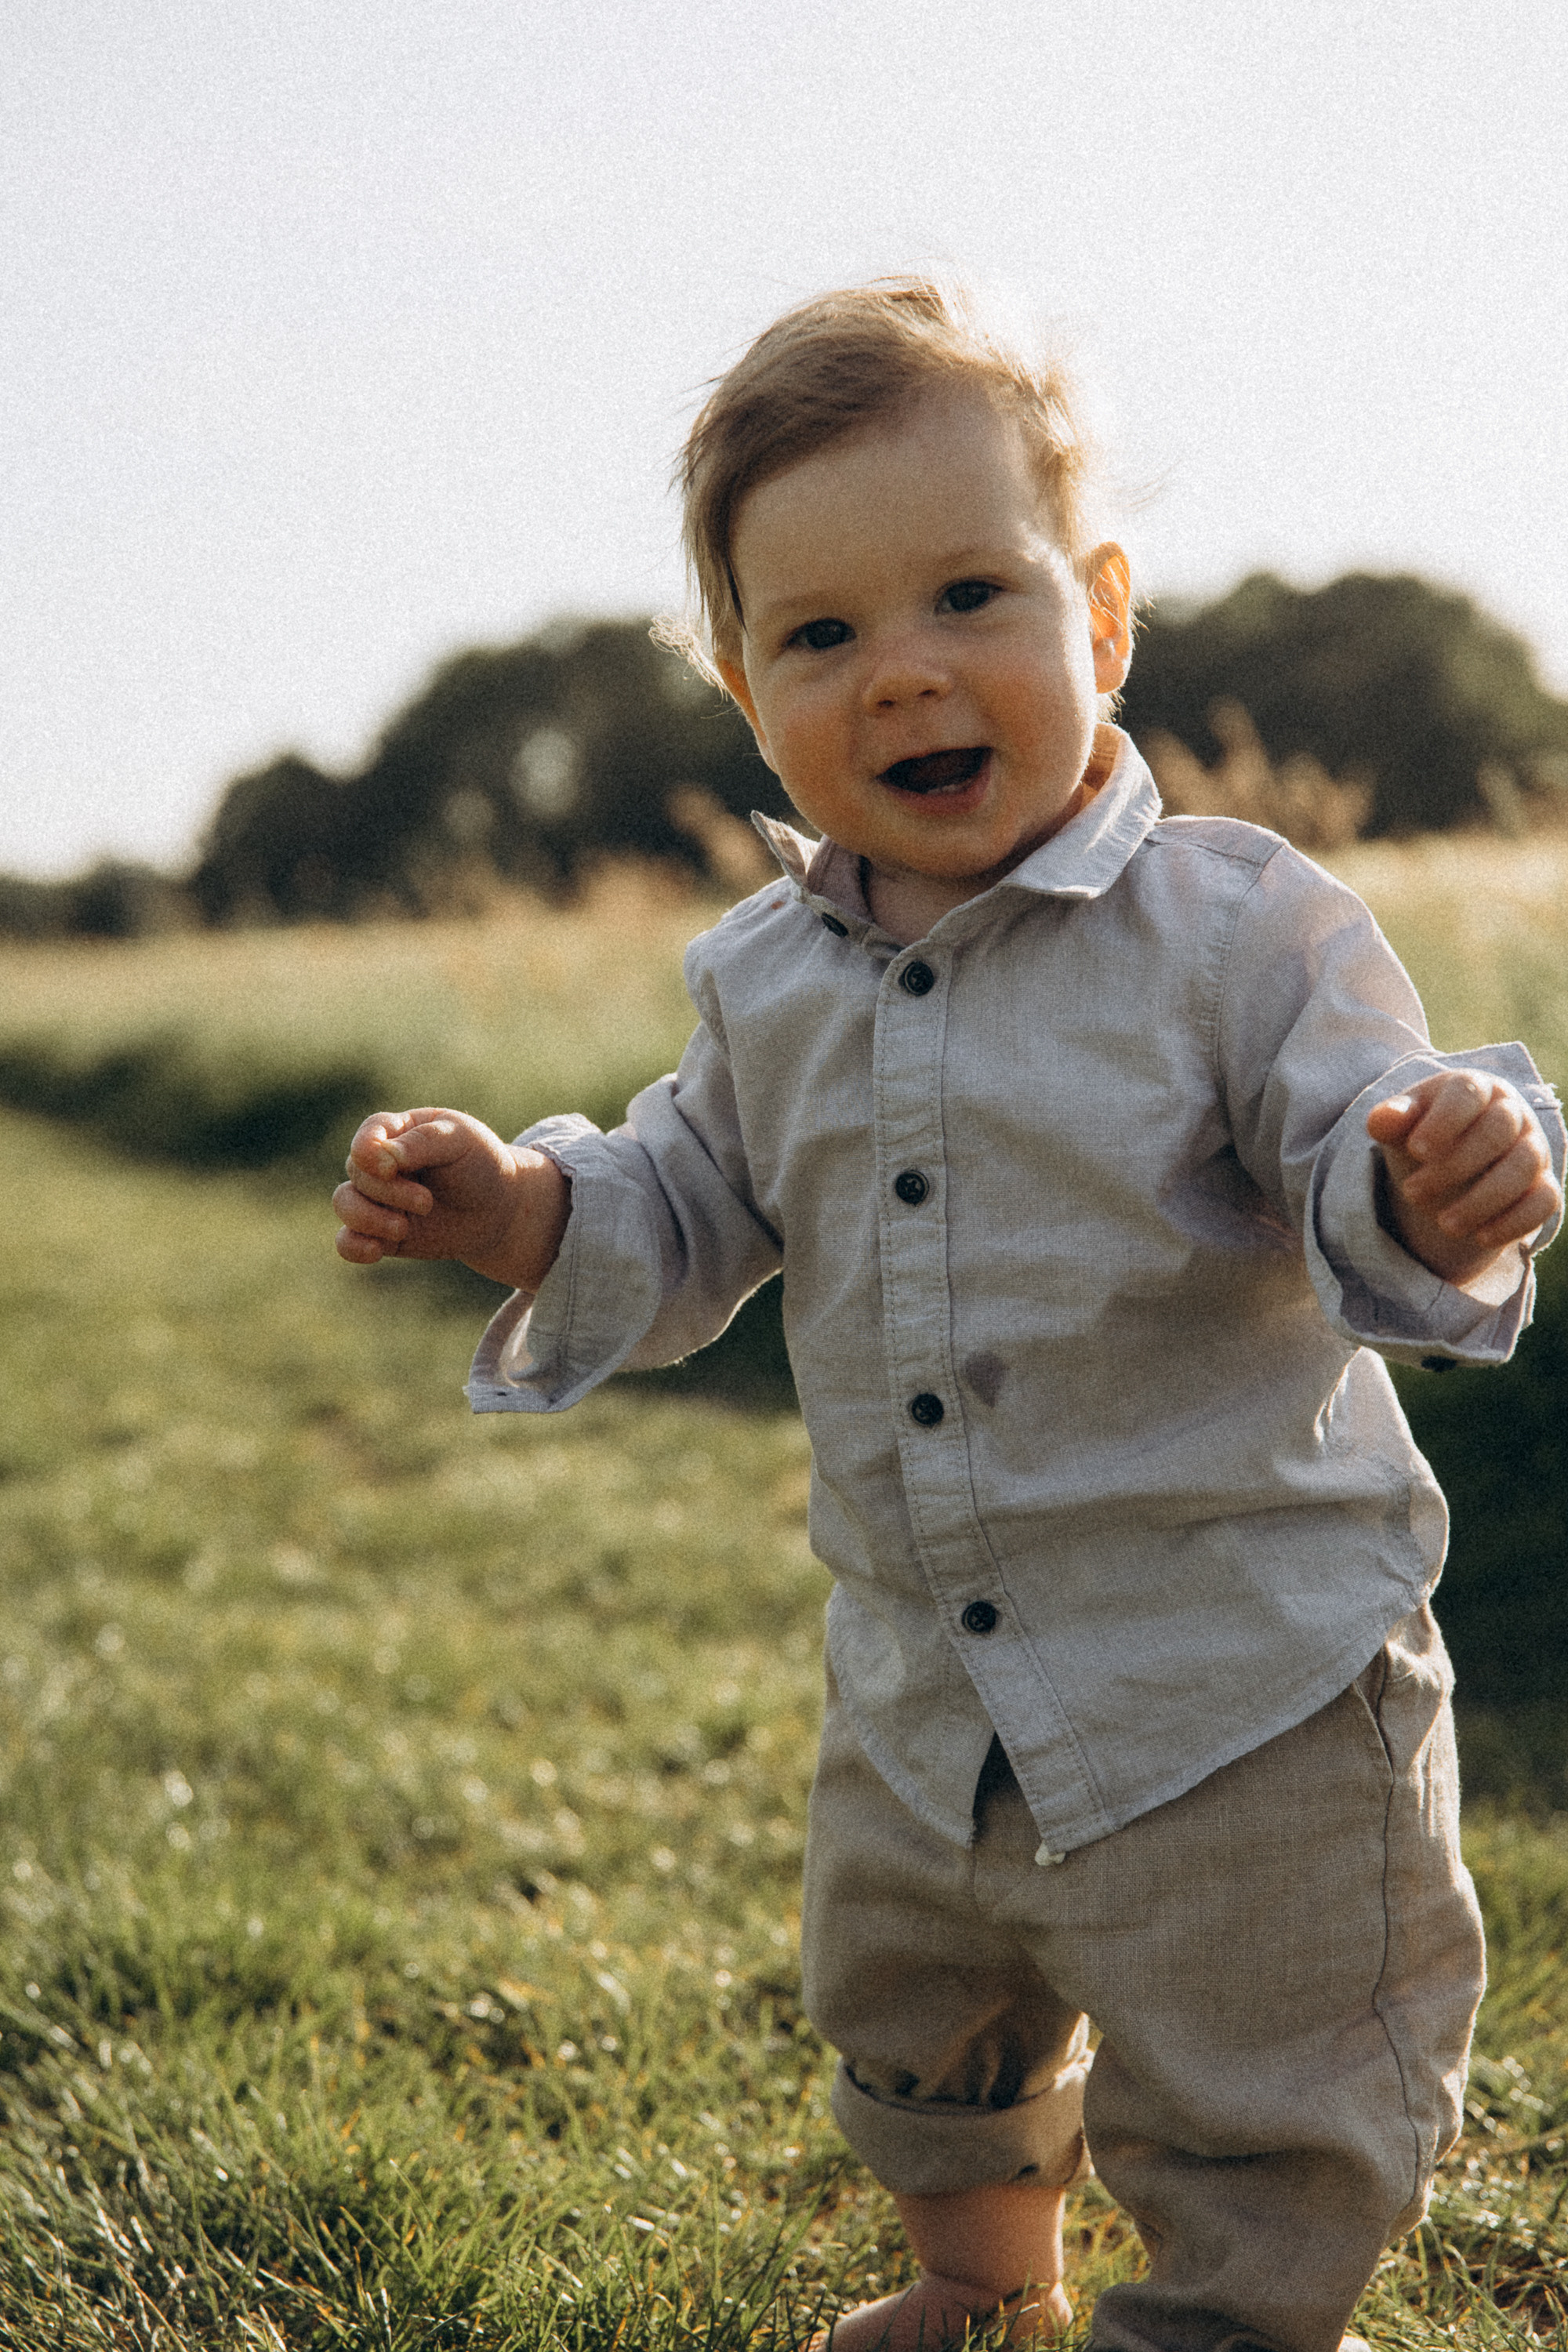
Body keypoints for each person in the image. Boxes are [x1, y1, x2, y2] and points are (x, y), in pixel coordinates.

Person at [332, 283, 1565, 2352]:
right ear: (744, 689)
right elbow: (688, 1194)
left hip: (1237, 1686)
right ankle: (982, 2283)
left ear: (1102, 613)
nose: (901, 671)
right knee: (920, 2008)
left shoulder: (1239, 929)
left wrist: (1432, 1175)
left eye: (968, 596)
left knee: (1261, 2081)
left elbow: (1353, 1125)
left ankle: (1243, 2321)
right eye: (820, 637)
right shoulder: (766, 984)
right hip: (930, 1686)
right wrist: (527, 1205)